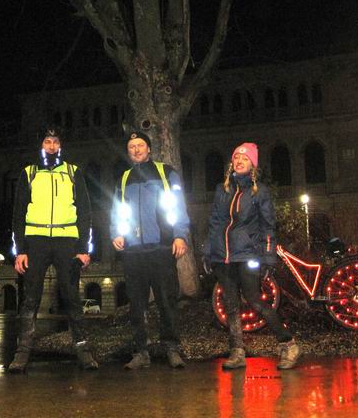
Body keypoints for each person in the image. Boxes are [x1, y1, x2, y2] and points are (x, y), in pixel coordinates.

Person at [7, 126, 98, 373]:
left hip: (66, 241)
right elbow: (18, 214)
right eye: (47, 141)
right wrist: (20, 250)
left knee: (72, 297)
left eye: (56, 142)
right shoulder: (29, 173)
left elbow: (85, 212)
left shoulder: (72, 172)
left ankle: (83, 351)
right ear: (41, 145)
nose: (51, 146)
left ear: (61, 145)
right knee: (30, 298)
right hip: (35, 241)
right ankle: (22, 353)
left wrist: (83, 248)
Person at [203, 142, 301, 370]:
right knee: (231, 305)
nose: (239, 161)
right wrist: (208, 251)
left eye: (245, 158)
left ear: (252, 165)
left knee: (255, 301)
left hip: (247, 254)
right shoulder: (222, 189)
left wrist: (268, 257)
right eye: (237, 157)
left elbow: (268, 226)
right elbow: (215, 223)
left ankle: (288, 344)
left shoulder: (259, 192)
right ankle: (237, 351)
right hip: (223, 257)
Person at [111, 131, 190, 369]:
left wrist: (180, 235)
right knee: (137, 304)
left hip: (161, 247)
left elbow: (178, 206)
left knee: (167, 300)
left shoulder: (166, 173)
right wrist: (116, 232)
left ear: (149, 149)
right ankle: (141, 351)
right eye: (132, 146)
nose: (136, 149)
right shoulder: (124, 178)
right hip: (133, 251)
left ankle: (172, 348)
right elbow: (117, 209)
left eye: (140, 145)